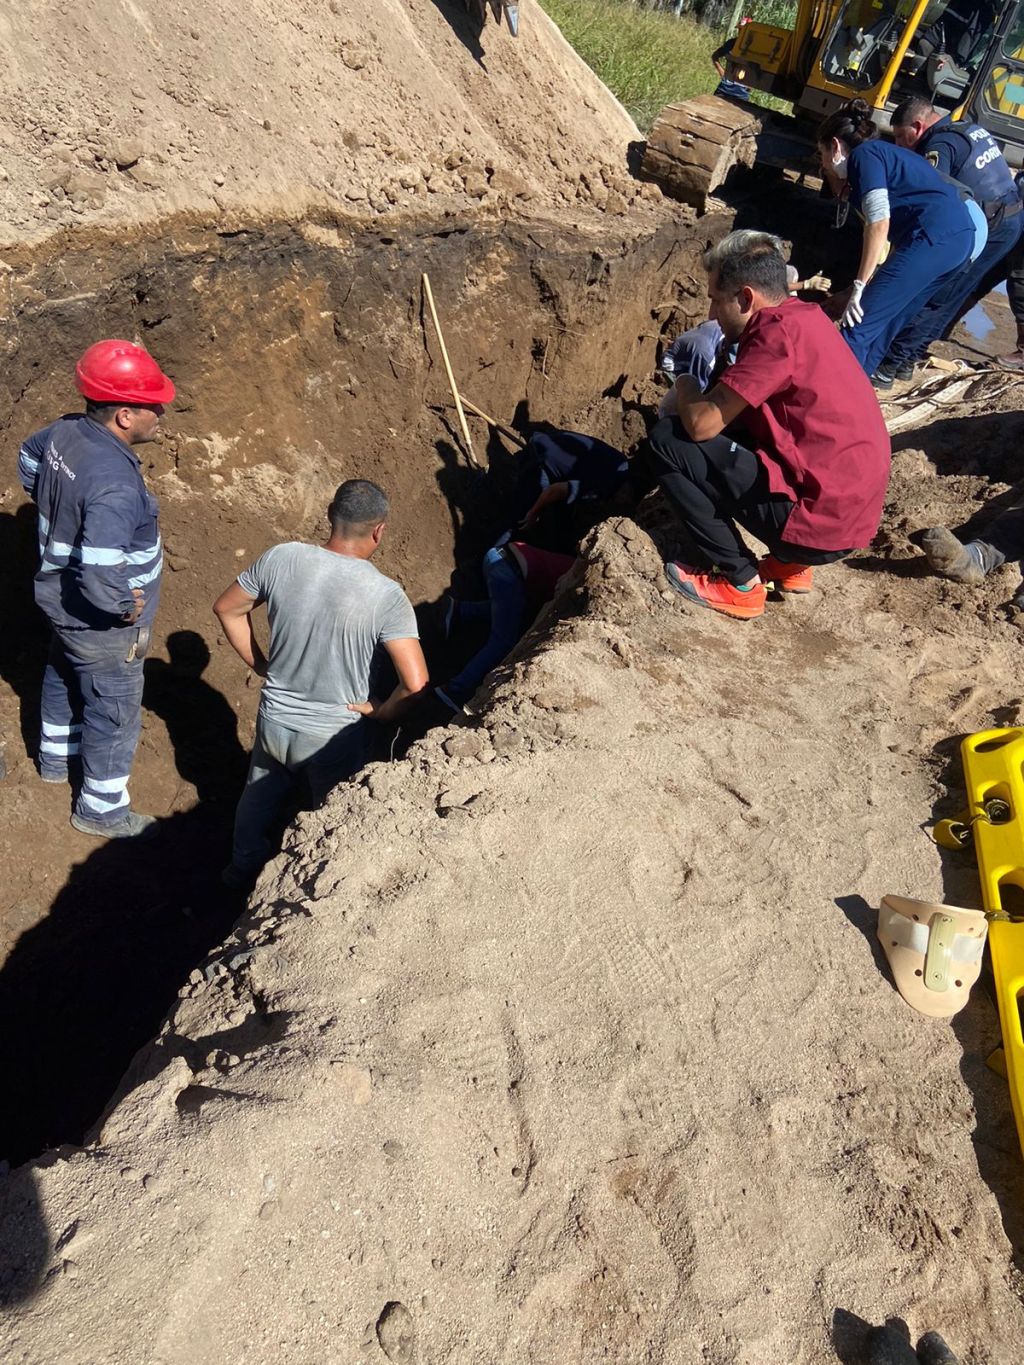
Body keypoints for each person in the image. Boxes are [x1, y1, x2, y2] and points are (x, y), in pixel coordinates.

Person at [645, 232, 891, 620]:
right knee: (741, 431)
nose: (711, 314)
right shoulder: (805, 316)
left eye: (715, 299)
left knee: (667, 440)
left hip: (821, 524)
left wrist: (686, 381)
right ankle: (789, 567)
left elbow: (701, 426)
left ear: (745, 298)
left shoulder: (774, 337)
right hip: (852, 515)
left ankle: (740, 581)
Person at [214, 479, 428, 887]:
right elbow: (416, 683)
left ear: (330, 516)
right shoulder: (385, 595)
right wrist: (381, 711)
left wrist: (261, 664)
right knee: (331, 815)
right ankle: (309, 889)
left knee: (257, 794)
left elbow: (227, 608)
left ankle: (240, 871)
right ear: (379, 531)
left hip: (275, 720)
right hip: (333, 735)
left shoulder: (282, 558)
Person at [16, 339, 174, 838]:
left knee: (63, 673)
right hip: (100, 624)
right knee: (114, 710)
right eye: (153, 407)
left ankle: (55, 760)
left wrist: (54, 503)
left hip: (57, 602)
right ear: (125, 416)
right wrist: (124, 608)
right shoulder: (115, 486)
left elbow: (28, 458)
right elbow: (100, 572)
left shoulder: (66, 432)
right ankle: (101, 810)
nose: (161, 414)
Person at [818, 98, 977, 382]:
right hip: (958, 240)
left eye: (822, 155)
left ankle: (824, 395)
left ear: (835, 145)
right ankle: (857, 395)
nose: (825, 165)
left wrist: (859, 287)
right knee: (887, 324)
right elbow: (899, 258)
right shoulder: (884, 156)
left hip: (935, 235)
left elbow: (879, 224)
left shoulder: (865, 157)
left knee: (858, 324)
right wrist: (861, 288)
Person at [878, 96, 1024, 385]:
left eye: (899, 136)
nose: (898, 145)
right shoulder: (964, 128)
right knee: (955, 292)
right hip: (1008, 219)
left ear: (917, 127)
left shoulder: (940, 145)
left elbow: (932, 199)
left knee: (937, 292)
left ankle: (889, 366)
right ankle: (909, 359)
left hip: (993, 225)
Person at [435, 541, 575, 712]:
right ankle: (455, 690)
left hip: (498, 555)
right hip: (509, 572)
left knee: (515, 609)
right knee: (503, 642)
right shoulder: (576, 583)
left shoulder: (574, 566)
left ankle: (459, 611)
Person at [495, 428, 628, 551]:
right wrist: (534, 512)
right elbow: (555, 490)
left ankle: (557, 548)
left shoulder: (624, 465)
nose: (621, 502)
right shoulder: (602, 487)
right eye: (624, 500)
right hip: (542, 460)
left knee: (563, 520)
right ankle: (494, 555)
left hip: (555, 446)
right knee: (521, 516)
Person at [711, 17, 752, 101]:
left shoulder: (755, 49)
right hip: (723, 90)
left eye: (744, 30)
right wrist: (722, 72)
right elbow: (715, 56)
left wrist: (750, 85)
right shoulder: (731, 44)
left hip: (741, 94)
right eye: (739, 29)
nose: (740, 32)